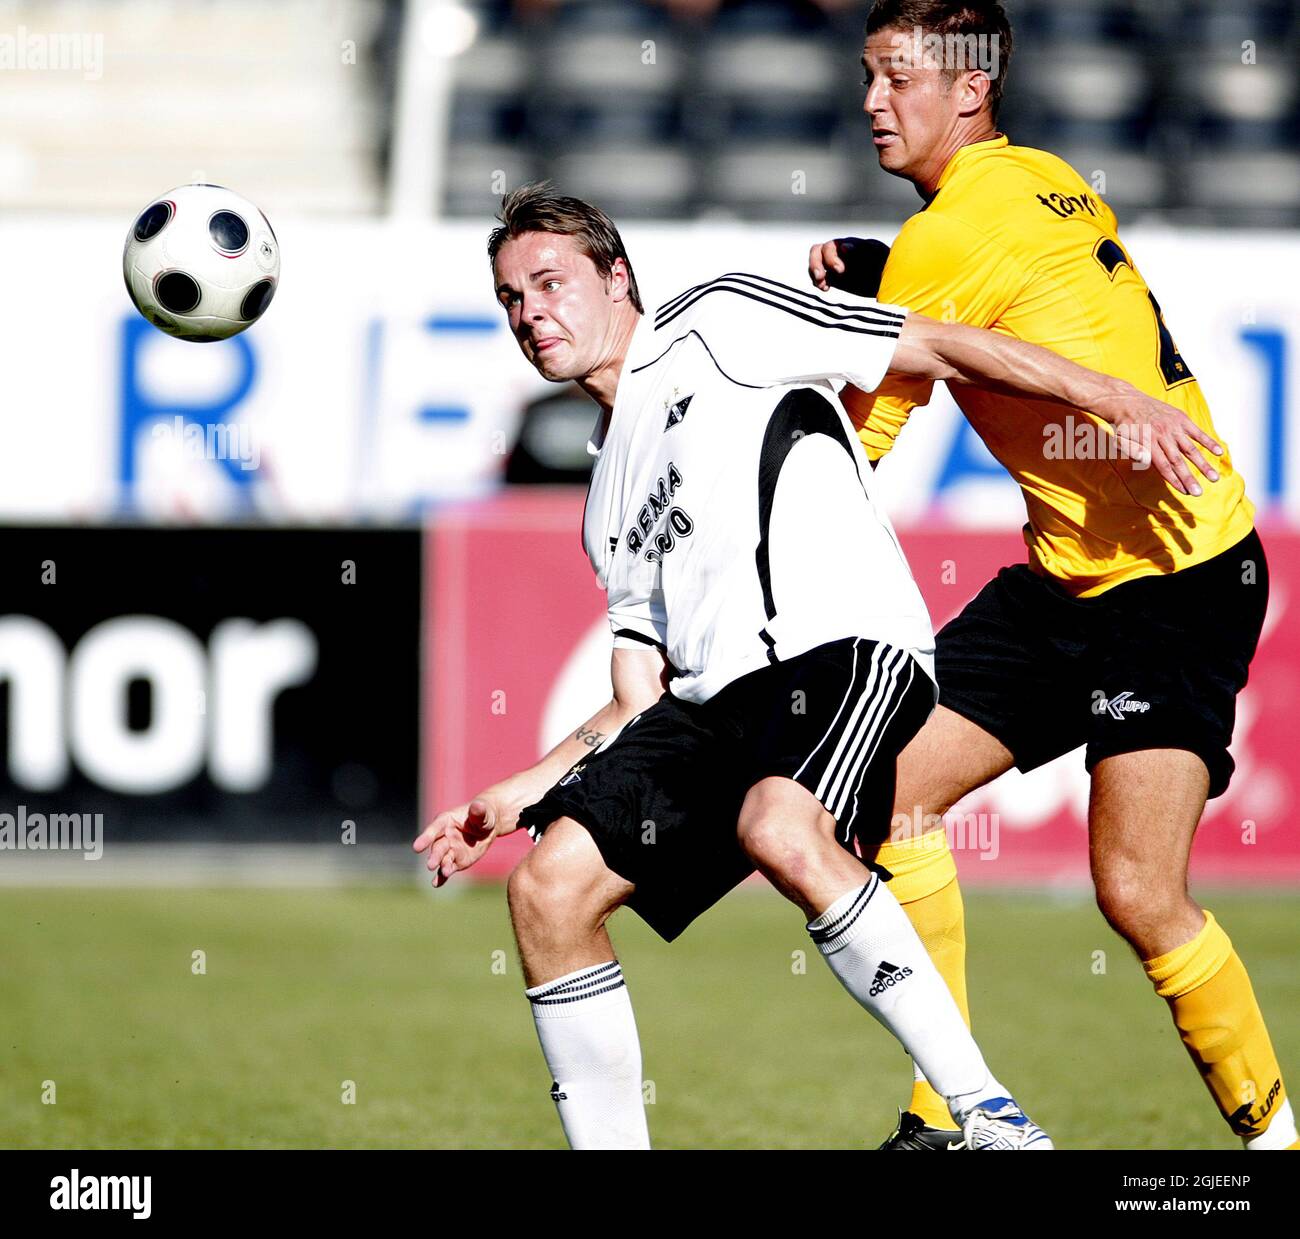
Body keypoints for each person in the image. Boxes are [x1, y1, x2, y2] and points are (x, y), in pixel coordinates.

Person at [416, 182, 1212, 1150]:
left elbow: (939, 345)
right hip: (711, 704)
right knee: (549, 892)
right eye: (511, 298)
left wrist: (1108, 395)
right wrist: (520, 790)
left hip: (841, 650)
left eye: (550, 282)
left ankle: (991, 1118)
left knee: (781, 825)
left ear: (617, 277)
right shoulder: (605, 493)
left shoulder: (720, 320)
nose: (531, 312)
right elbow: (636, 696)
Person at [806, 0, 1296, 1151]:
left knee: (1135, 895)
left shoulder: (947, 240)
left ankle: (1273, 1146)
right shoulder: (1044, 177)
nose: (872, 102)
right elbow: (1026, 300)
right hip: (1064, 583)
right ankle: (953, 1121)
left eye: (895, 79)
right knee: (885, 798)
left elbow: (851, 454)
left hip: (1178, 578)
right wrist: (892, 291)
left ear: (967, 90)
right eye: (867, 77)